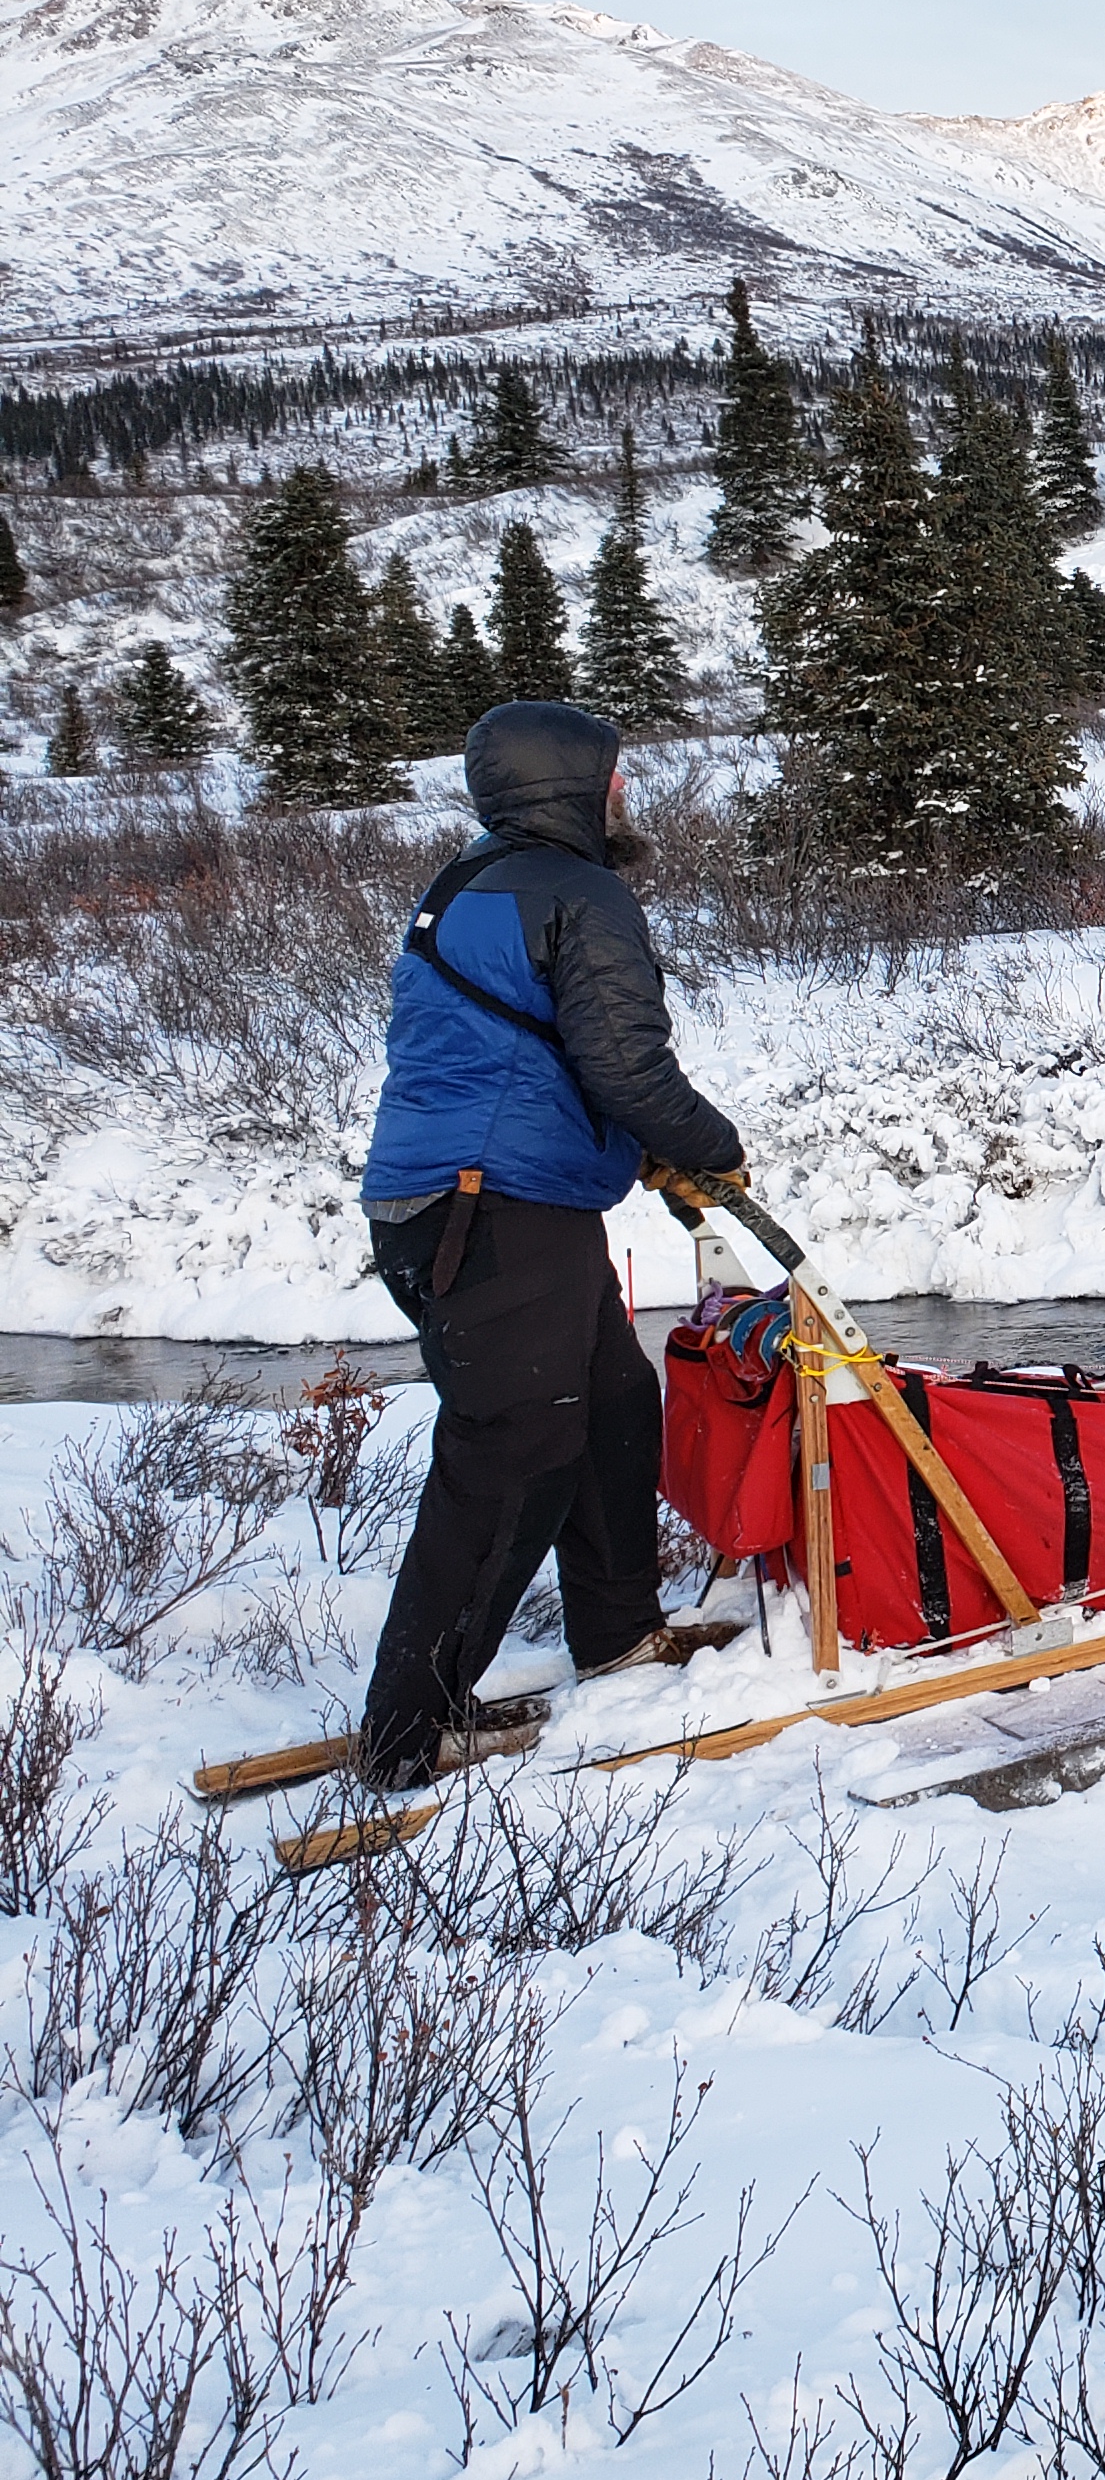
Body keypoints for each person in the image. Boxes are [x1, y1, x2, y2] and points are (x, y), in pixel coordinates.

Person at [357, 700, 746, 1785]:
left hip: (479, 1204)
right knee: (512, 1452)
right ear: (574, 786)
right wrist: (709, 1147)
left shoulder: (468, 885)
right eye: (614, 778)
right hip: (489, 1212)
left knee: (612, 1409)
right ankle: (410, 1727)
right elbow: (625, 1065)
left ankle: (619, 1633)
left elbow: (532, 1055)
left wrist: (642, 1155)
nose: (625, 793)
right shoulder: (582, 894)